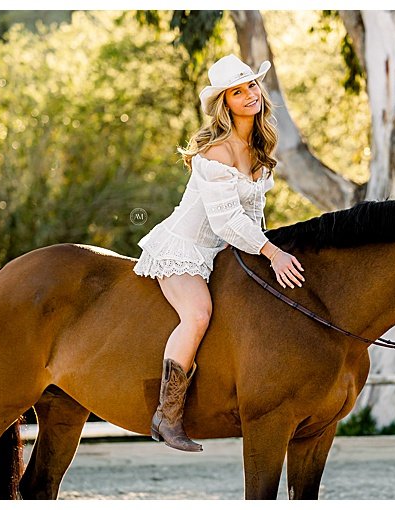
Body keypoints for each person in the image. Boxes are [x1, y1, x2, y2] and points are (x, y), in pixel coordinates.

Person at [132, 54, 306, 451]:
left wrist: (267, 247)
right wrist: (273, 253)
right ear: (225, 102)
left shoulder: (258, 150)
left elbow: (253, 216)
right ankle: (167, 415)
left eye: (252, 87)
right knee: (197, 315)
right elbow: (227, 221)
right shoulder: (217, 154)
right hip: (185, 250)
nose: (249, 95)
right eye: (238, 91)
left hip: (221, 253)